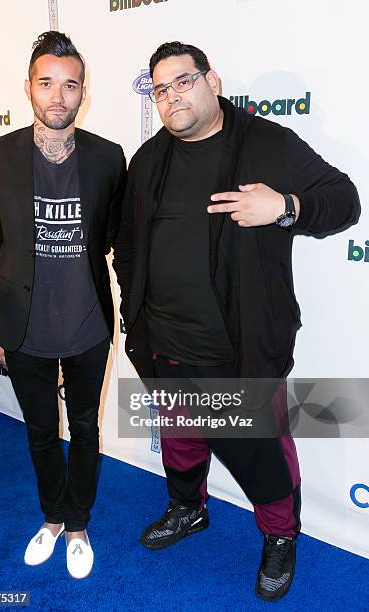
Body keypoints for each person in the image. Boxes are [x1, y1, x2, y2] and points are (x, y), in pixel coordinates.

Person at [113, 41, 360, 601]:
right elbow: (127, 243)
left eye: (183, 81)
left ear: (213, 81)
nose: (172, 96)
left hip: (239, 347)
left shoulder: (267, 142)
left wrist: (286, 208)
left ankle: (279, 536)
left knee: (261, 452)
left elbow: (345, 199)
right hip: (162, 340)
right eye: (161, 89)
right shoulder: (148, 159)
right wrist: (135, 304)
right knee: (179, 437)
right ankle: (187, 508)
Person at [0, 31, 126, 579]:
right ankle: (53, 517)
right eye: (46, 83)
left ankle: (80, 522)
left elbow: (112, 239)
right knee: (40, 433)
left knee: (85, 428)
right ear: (28, 88)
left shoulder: (109, 158)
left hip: (88, 329)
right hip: (25, 333)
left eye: (70, 85)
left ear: (84, 92)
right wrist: (2, 320)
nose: (57, 96)